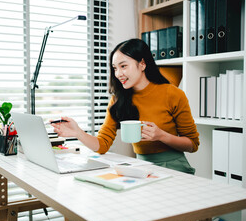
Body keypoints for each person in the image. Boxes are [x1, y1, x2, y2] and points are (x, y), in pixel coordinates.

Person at [51, 38, 199, 175]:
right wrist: (78, 133)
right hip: (140, 167)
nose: (118, 74)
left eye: (123, 66)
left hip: (173, 167)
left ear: (142, 64)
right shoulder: (118, 99)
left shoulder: (172, 94)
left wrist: (161, 136)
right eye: (115, 68)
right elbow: (102, 145)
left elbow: (192, 144)